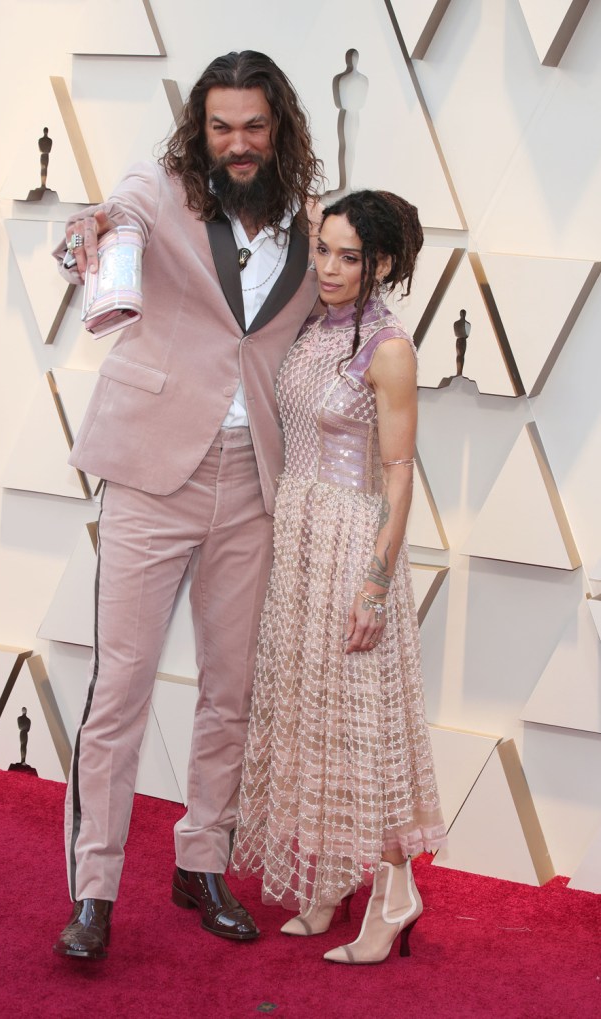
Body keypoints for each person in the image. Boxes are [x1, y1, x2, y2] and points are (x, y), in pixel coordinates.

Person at [50, 50, 323, 960]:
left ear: (277, 126)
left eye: (253, 126)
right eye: (220, 127)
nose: (237, 144)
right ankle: (93, 890)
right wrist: (89, 232)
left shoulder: (312, 223)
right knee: (119, 687)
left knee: (230, 689)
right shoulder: (160, 190)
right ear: (198, 130)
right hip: (152, 471)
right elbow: (111, 215)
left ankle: (201, 858)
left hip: (254, 482)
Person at [231, 190, 446, 964]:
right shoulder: (317, 324)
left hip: (354, 541)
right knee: (310, 714)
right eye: (322, 248)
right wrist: (317, 210)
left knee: (364, 728)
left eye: (348, 256)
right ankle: (328, 883)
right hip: (300, 534)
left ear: (381, 263)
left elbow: (398, 476)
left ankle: (395, 893)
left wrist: (375, 585)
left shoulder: (388, 348)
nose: (326, 266)